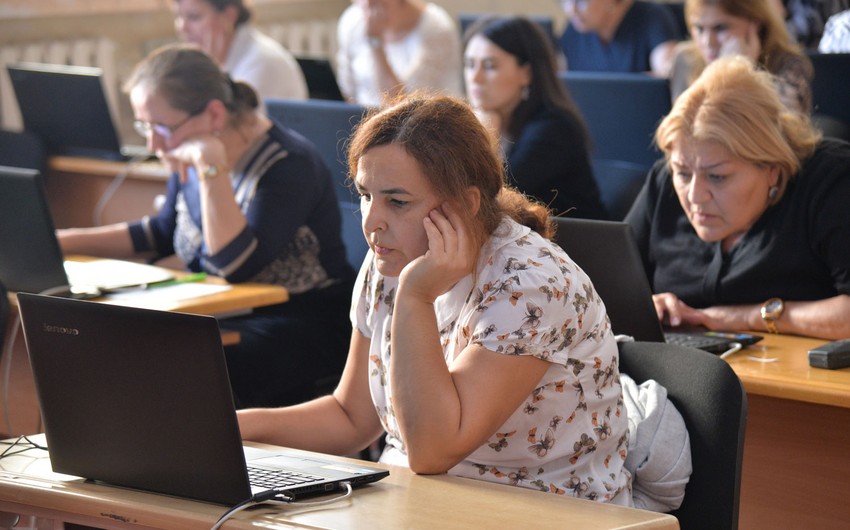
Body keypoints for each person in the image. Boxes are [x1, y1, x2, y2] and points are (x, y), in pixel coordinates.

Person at [238, 93, 633, 505]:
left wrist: (414, 298)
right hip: (418, 499)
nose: (372, 222)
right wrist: (230, 429)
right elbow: (351, 417)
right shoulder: (391, 260)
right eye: (365, 194)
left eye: (398, 201)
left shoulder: (529, 284)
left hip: (546, 510)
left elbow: (433, 452)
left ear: (465, 203)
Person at [57, 44, 355, 407]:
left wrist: (211, 167)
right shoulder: (189, 153)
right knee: (122, 344)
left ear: (214, 114)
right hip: (229, 315)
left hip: (302, 323)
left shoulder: (287, 163)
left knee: (182, 366)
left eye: (161, 127)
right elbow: (163, 232)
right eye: (144, 126)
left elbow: (233, 264)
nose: (152, 143)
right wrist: (63, 241)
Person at [625, 56, 850, 340]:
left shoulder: (830, 181)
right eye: (682, 173)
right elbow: (602, 286)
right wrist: (645, 306)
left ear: (772, 169)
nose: (695, 195)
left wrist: (745, 317)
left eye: (717, 177)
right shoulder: (663, 181)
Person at [463, 16, 608, 220]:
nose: (474, 78)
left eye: (489, 66)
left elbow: (492, 200)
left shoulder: (554, 128)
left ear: (527, 73)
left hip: (575, 247)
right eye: (469, 64)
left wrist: (487, 136)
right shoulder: (489, 117)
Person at [669, 0, 813, 115]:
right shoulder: (685, 60)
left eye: (721, 28)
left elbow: (786, 134)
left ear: (756, 24)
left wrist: (741, 72)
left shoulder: (789, 63)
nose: (708, 42)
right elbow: (684, 132)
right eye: (699, 28)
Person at [172, 0, 308, 101]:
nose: (183, 28)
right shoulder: (214, 58)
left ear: (229, 16)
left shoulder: (261, 63)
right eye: (178, 16)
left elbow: (225, 129)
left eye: (194, 17)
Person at [335, 0, 463, 106]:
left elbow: (402, 105)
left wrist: (376, 43)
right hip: (364, 124)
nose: (368, 4)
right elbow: (347, 92)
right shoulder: (352, 21)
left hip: (421, 127)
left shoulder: (436, 29)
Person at [558, 0, 681, 77]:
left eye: (581, 1)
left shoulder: (653, 18)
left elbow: (667, 75)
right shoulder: (574, 29)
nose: (571, 9)